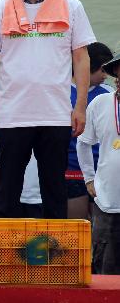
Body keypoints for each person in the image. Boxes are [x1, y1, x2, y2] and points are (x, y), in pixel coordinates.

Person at [0, 0, 95, 219]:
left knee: (54, 189)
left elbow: (81, 58)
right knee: (6, 190)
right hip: (13, 113)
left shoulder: (72, 7)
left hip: (54, 114)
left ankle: (55, 261)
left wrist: (79, 107)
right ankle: (5, 260)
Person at [77, 51, 120, 275]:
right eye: (118, 73)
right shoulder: (101, 103)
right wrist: (89, 179)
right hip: (106, 201)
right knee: (104, 267)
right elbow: (83, 144)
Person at [67, 42, 113, 219]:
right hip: (71, 171)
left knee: (102, 233)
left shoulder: (108, 93)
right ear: (87, 65)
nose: (105, 75)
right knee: (76, 232)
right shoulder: (61, 90)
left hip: (102, 172)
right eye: (102, 70)